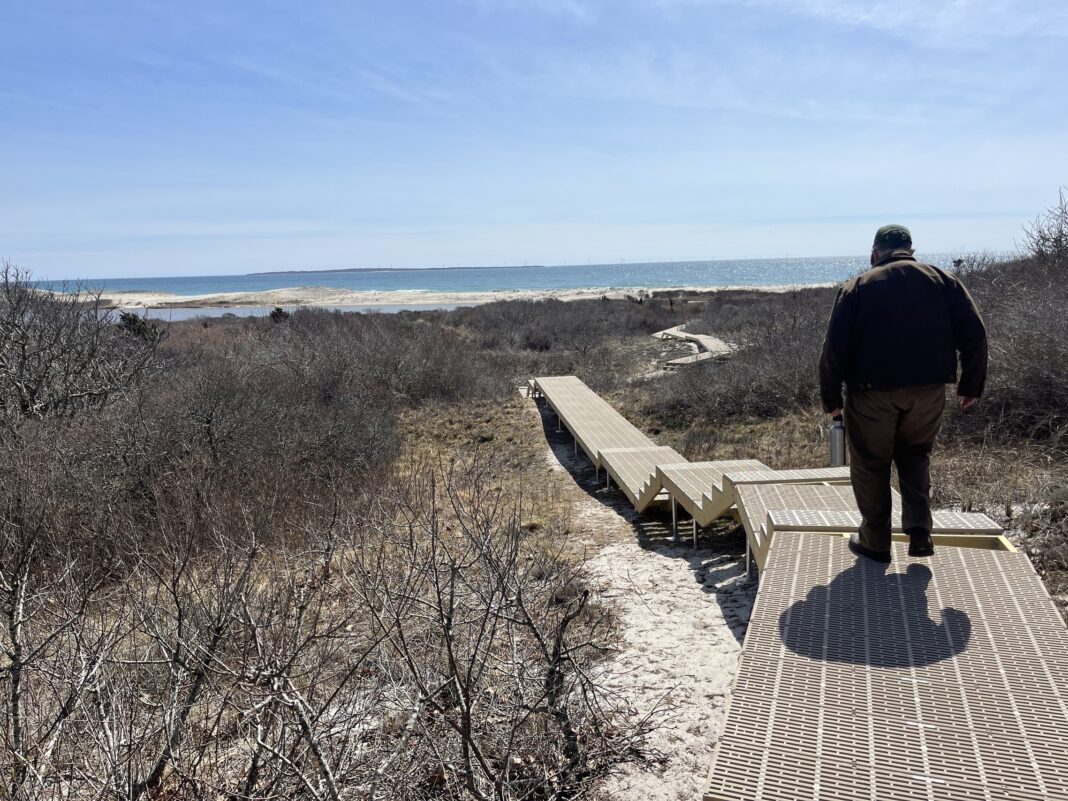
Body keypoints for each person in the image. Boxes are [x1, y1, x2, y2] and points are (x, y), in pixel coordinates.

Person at [819, 224, 988, 563]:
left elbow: (833, 349)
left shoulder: (858, 287)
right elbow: (975, 334)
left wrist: (831, 400)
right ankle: (920, 531)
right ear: (911, 248)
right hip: (928, 392)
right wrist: (971, 384)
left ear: (874, 252)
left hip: (871, 395)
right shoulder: (942, 280)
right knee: (915, 455)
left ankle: (875, 541)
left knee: (871, 463)